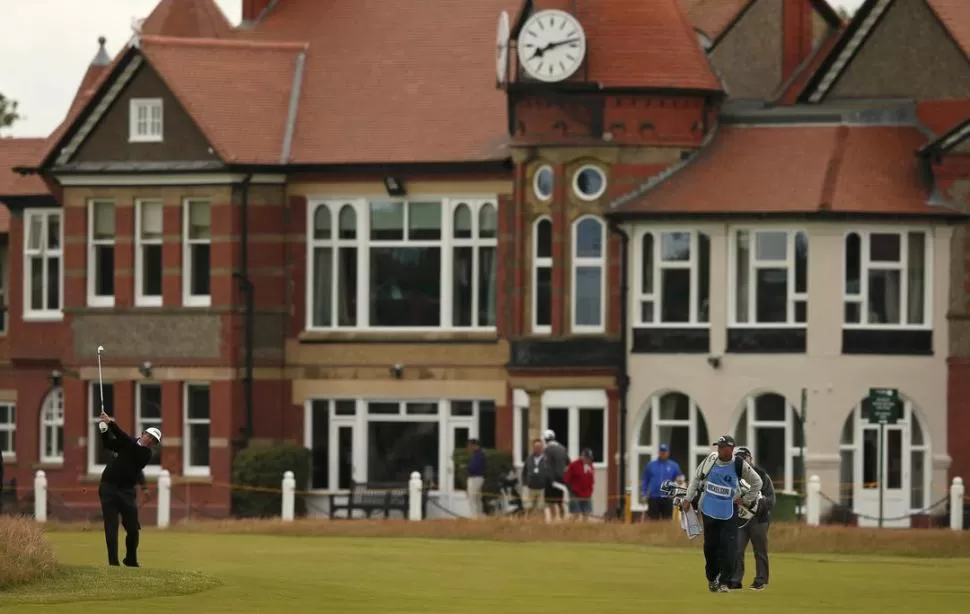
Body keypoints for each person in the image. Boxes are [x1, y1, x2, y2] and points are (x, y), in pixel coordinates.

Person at [682, 435, 762, 593]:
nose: (719, 449)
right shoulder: (711, 459)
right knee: (710, 547)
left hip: (729, 511)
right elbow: (696, 479)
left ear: (731, 449)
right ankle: (712, 578)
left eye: (722, 447)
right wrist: (687, 498)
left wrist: (746, 499)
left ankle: (725, 581)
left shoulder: (739, 464)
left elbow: (757, 482)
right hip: (709, 509)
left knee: (729, 547)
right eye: (718, 446)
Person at [97, 412, 160, 567]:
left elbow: (126, 442)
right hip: (108, 487)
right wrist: (104, 431)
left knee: (133, 528)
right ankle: (113, 563)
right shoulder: (128, 443)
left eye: (154, 440)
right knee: (111, 526)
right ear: (143, 433)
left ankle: (131, 559)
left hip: (126, 491)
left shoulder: (145, 454)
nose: (150, 440)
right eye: (150, 436)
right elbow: (109, 445)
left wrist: (110, 423)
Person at [728, 447, 775, 591]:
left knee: (760, 550)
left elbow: (771, 500)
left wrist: (756, 504)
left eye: (744, 458)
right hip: (740, 519)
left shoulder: (762, 475)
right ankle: (735, 580)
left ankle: (760, 580)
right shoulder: (733, 476)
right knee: (736, 549)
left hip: (759, 519)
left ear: (750, 458)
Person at [641, 443, 682, 520]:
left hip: (667, 498)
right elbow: (645, 480)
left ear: (668, 453)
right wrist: (644, 493)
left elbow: (680, 479)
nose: (663, 453)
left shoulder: (674, 466)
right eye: (661, 451)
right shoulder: (651, 465)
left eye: (665, 451)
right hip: (653, 497)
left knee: (667, 520)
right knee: (653, 521)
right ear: (659, 452)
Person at [541, 429, 568, 521]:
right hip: (561, 479)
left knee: (550, 502)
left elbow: (547, 466)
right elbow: (568, 462)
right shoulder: (562, 448)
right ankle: (563, 518)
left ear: (545, 439)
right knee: (560, 502)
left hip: (551, 480)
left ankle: (553, 519)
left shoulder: (547, 449)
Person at [563, 448, 595, 521]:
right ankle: (567, 528)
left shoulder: (590, 466)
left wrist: (590, 491)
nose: (588, 460)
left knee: (586, 514)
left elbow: (591, 481)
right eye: (587, 458)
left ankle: (584, 531)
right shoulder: (573, 465)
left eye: (589, 458)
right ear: (582, 456)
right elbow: (566, 480)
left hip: (587, 494)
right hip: (575, 494)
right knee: (575, 515)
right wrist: (571, 492)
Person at [520, 438, 548, 517]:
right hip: (530, 488)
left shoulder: (547, 459)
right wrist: (525, 483)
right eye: (536, 447)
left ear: (542, 448)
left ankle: (539, 525)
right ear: (533, 448)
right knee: (528, 508)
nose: (537, 449)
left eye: (539, 447)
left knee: (540, 509)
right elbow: (524, 472)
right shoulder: (528, 458)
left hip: (542, 488)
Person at [466, 438, 486, 518]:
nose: (469, 447)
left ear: (475, 445)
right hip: (479, 478)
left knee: (472, 498)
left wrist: (468, 468)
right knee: (477, 498)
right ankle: (479, 515)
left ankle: (474, 516)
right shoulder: (479, 454)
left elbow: (475, 467)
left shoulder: (478, 455)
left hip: (475, 478)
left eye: (470, 445)